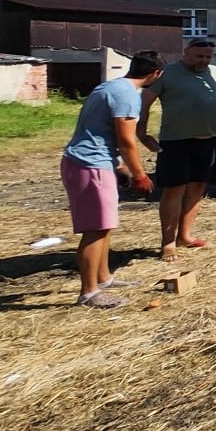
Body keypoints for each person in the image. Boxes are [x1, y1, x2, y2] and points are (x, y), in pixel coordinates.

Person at [62, 51, 164, 308]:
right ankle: (89, 293)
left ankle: (104, 277)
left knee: (104, 226)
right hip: (90, 165)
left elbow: (98, 131)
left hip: (94, 162)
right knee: (95, 230)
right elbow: (126, 140)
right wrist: (139, 174)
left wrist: (118, 166)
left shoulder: (112, 86)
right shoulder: (127, 96)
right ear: (156, 74)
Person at [140, 38, 216, 260]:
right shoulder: (167, 74)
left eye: (208, 57)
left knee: (198, 188)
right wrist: (141, 133)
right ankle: (168, 243)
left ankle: (185, 237)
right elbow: (145, 103)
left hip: (208, 141)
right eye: (199, 56)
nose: (204, 60)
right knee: (175, 190)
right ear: (186, 53)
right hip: (176, 142)